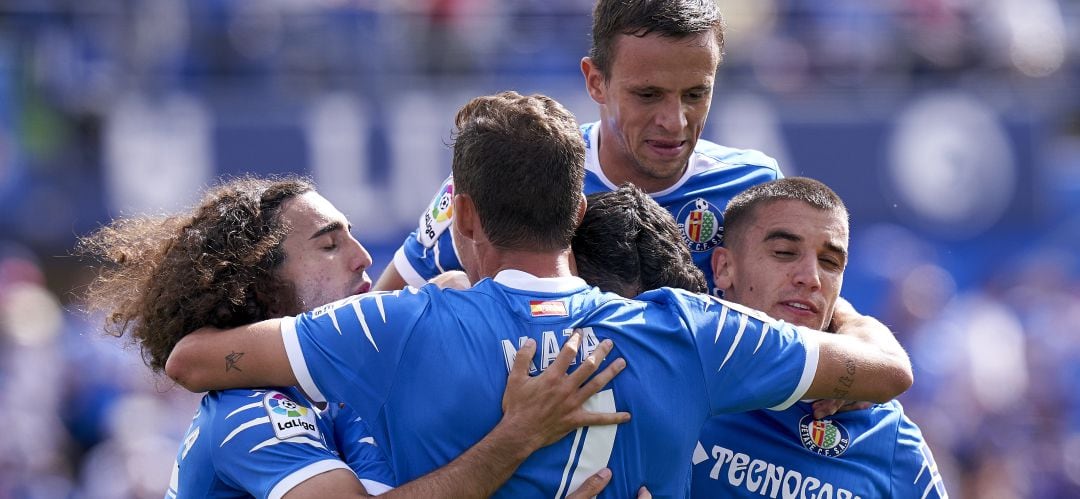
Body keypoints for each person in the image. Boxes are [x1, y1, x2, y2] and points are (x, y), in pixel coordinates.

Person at [163, 91, 912, 497]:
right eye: (331, 244)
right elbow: (887, 372)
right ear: (578, 212)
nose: (363, 258)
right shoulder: (692, 332)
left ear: (462, 217)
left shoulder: (396, 328)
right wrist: (836, 309)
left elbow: (191, 358)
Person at [78, 175, 628, 498]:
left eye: (354, 237)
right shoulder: (248, 412)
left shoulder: (338, 400)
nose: (362, 257)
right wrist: (518, 436)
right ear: (261, 286)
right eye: (329, 245)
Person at [374, 0, 781, 296]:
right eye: (648, 95)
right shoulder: (510, 172)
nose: (674, 121)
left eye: (695, 94)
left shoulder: (755, 189)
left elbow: (809, 325)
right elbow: (371, 321)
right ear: (595, 81)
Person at [572, 180, 948, 497]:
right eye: (784, 253)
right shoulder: (657, 379)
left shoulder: (886, 434)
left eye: (830, 263)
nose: (810, 278)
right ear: (724, 268)